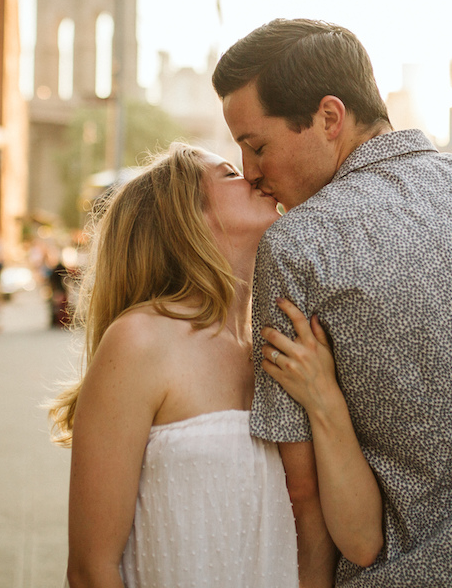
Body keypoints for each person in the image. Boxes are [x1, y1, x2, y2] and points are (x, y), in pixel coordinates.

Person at [212, 19, 452, 587]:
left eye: (256, 145)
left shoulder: (299, 245)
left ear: (329, 118)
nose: (251, 172)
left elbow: (305, 493)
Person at [49, 143, 383, 588]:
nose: (253, 175)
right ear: (186, 220)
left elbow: (356, 540)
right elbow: (91, 569)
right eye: (229, 174)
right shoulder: (139, 341)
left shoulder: (284, 346)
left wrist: (326, 399)